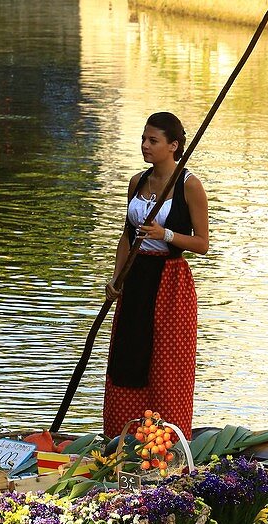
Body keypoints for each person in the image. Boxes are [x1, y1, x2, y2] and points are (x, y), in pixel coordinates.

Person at [104, 111, 209, 441]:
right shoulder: (138, 181)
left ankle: (166, 445)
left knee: (166, 365)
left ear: (173, 146)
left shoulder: (189, 186)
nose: (145, 145)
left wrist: (165, 234)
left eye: (153, 140)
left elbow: (202, 243)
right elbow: (127, 236)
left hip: (169, 282)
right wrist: (116, 279)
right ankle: (122, 441)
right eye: (143, 139)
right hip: (135, 281)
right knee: (127, 360)